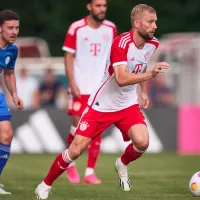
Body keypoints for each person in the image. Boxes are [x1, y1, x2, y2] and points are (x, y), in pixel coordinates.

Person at [35, 4, 169, 199]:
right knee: (76, 149)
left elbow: (141, 65)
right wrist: (151, 74)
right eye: (150, 21)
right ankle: (45, 185)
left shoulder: (153, 43)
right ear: (137, 23)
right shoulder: (120, 43)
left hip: (127, 104)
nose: (155, 25)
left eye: (155, 21)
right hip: (102, 105)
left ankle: (121, 164)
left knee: (142, 142)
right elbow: (121, 78)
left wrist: (143, 91)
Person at [62, 0, 117, 184]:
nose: (102, 9)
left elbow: (114, 56)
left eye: (104, 6)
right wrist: (72, 82)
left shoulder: (110, 28)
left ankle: (89, 173)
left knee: (96, 130)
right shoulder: (76, 28)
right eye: (98, 6)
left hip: (100, 89)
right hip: (80, 87)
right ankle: (69, 164)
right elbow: (68, 55)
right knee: (78, 129)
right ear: (89, 6)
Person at [0, 10, 24, 194]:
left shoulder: (12, 49)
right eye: (10, 28)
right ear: (0, 29)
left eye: (16, 27)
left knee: (7, 134)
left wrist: (14, 94)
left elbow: (8, 72)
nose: (14, 31)